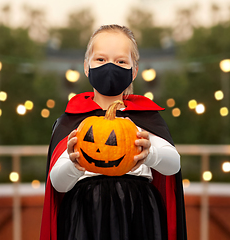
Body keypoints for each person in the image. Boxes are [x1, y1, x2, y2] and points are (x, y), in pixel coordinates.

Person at [40, 24, 187, 240]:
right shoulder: (71, 121)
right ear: (86, 67)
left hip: (139, 213)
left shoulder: (146, 117)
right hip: (84, 216)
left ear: (134, 70)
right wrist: (74, 163)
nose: (110, 67)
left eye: (120, 61)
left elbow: (173, 164)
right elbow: (57, 183)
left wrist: (150, 153)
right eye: (100, 59)